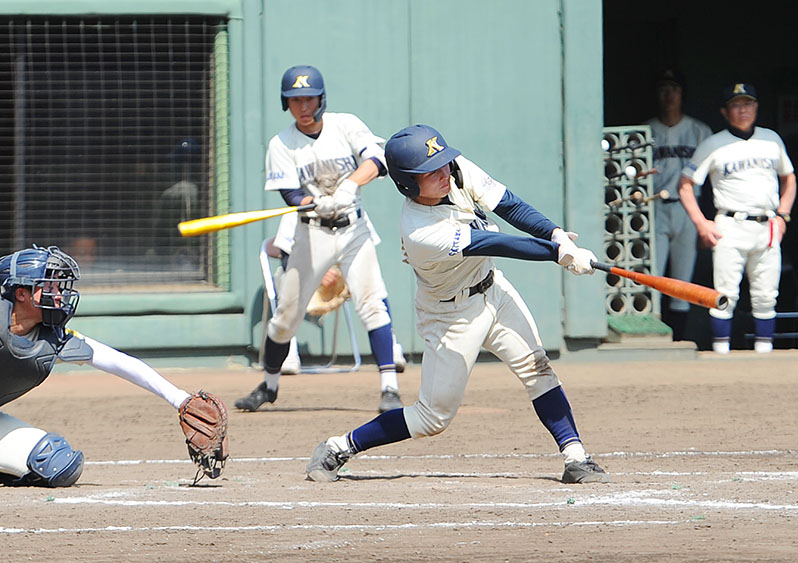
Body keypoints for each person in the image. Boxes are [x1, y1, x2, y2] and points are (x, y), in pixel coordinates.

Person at [305, 124, 610, 484]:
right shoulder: (420, 231)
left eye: (444, 163)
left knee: (537, 368)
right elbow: (496, 244)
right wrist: (559, 255)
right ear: (408, 183)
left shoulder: (454, 170)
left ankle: (576, 457)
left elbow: (508, 204)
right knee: (431, 418)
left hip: (493, 289)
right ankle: (339, 446)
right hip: (451, 315)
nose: (443, 173)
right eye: (430, 171)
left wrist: (558, 236)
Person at [235, 64, 403, 413]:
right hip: (311, 232)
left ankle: (390, 387)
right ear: (286, 102)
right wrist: (312, 201)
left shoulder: (346, 124)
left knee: (372, 303)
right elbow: (290, 194)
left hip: (353, 228)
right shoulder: (281, 143)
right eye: (295, 100)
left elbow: (376, 159)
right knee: (285, 317)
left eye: (309, 98)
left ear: (321, 98)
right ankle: (269, 385)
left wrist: (350, 185)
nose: (303, 106)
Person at [0, 245, 228, 487]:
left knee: (57, 462)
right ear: (21, 294)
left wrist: (179, 399)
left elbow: (119, 362)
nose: (58, 294)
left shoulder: (51, 338)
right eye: (48, 286)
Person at [679, 83, 796, 353]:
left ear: (756, 107)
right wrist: (701, 223)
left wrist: (783, 215)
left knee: (766, 296)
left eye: (748, 104)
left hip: (767, 224)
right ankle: (722, 356)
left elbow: (789, 178)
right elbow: (685, 184)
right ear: (725, 111)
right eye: (736, 105)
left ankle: (764, 355)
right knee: (725, 295)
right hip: (730, 223)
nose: (743, 110)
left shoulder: (771, 139)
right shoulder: (713, 144)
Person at [262, 211, 407, 375]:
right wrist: (318, 273)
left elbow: (364, 254)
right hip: (305, 274)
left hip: (339, 277)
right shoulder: (293, 214)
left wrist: (344, 275)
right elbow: (287, 260)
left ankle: (390, 347)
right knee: (284, 279)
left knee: (373, 281)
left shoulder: (351, 208)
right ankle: (288, 350)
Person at [645, 68, 713, 340]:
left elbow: (712, 181)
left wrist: (705, 219)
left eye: (674, 89)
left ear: (682, 94)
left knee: (683, 281)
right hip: (654, 209)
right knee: (653, 278)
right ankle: (655, 338)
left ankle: (680, 341)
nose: (669, 94)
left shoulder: (699, 131)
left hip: (688, 209)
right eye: (663, 89)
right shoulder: (647, 130)